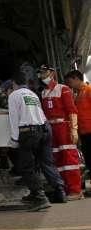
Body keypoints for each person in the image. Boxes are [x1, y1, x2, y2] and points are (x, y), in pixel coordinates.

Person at [7, 73, 54, 211]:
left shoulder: (14, 95)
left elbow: (13, 118)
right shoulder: (32, 94)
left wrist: (14, 139)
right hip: (41, 130)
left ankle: (40, 197)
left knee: (25, 166)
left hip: (27, 132)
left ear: (14, 84)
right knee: (35, 164)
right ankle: (34, 194)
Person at [38, 65, 83, 200]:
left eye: (44, 72)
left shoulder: (63, 89)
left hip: (63, 127)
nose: (42, 76)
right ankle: (65, 190)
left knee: (69, 159)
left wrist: (74, 130)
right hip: (51, 129)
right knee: (57, 160)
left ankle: (76, 191)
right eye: (40, 73)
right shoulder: (44, 93)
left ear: (52, 73)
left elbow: (72, 110)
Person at [64, 70, 91, 184]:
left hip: (90, 131)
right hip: (84, 132)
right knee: (89, 159)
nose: (70, 85)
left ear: (76, 78)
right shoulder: (78, 94)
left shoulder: (88, 91)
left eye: (70, 82)